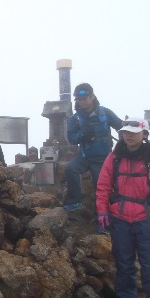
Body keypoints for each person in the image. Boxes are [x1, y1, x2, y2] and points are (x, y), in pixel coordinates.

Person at [96, 118, 150, 298]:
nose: (128, 135)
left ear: (144, 134)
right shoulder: (114, 158)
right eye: (125, 132)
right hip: (120, 221)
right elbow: (103, 187)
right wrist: (102, 211)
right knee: (124, 267)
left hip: (148, 222)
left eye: (133, 132)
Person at [64, 83, 123, 213]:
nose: (81, 102)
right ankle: (75, 202)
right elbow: (72, 139)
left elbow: (120, 126)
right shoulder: (75, 119)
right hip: (84, 156)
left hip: (103, 158)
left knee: (101, 187)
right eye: (78, 99)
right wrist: (83, 135)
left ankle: (103, 217)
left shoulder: (105, 113)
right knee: (70, 169)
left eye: (84, 98)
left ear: (92, 97)